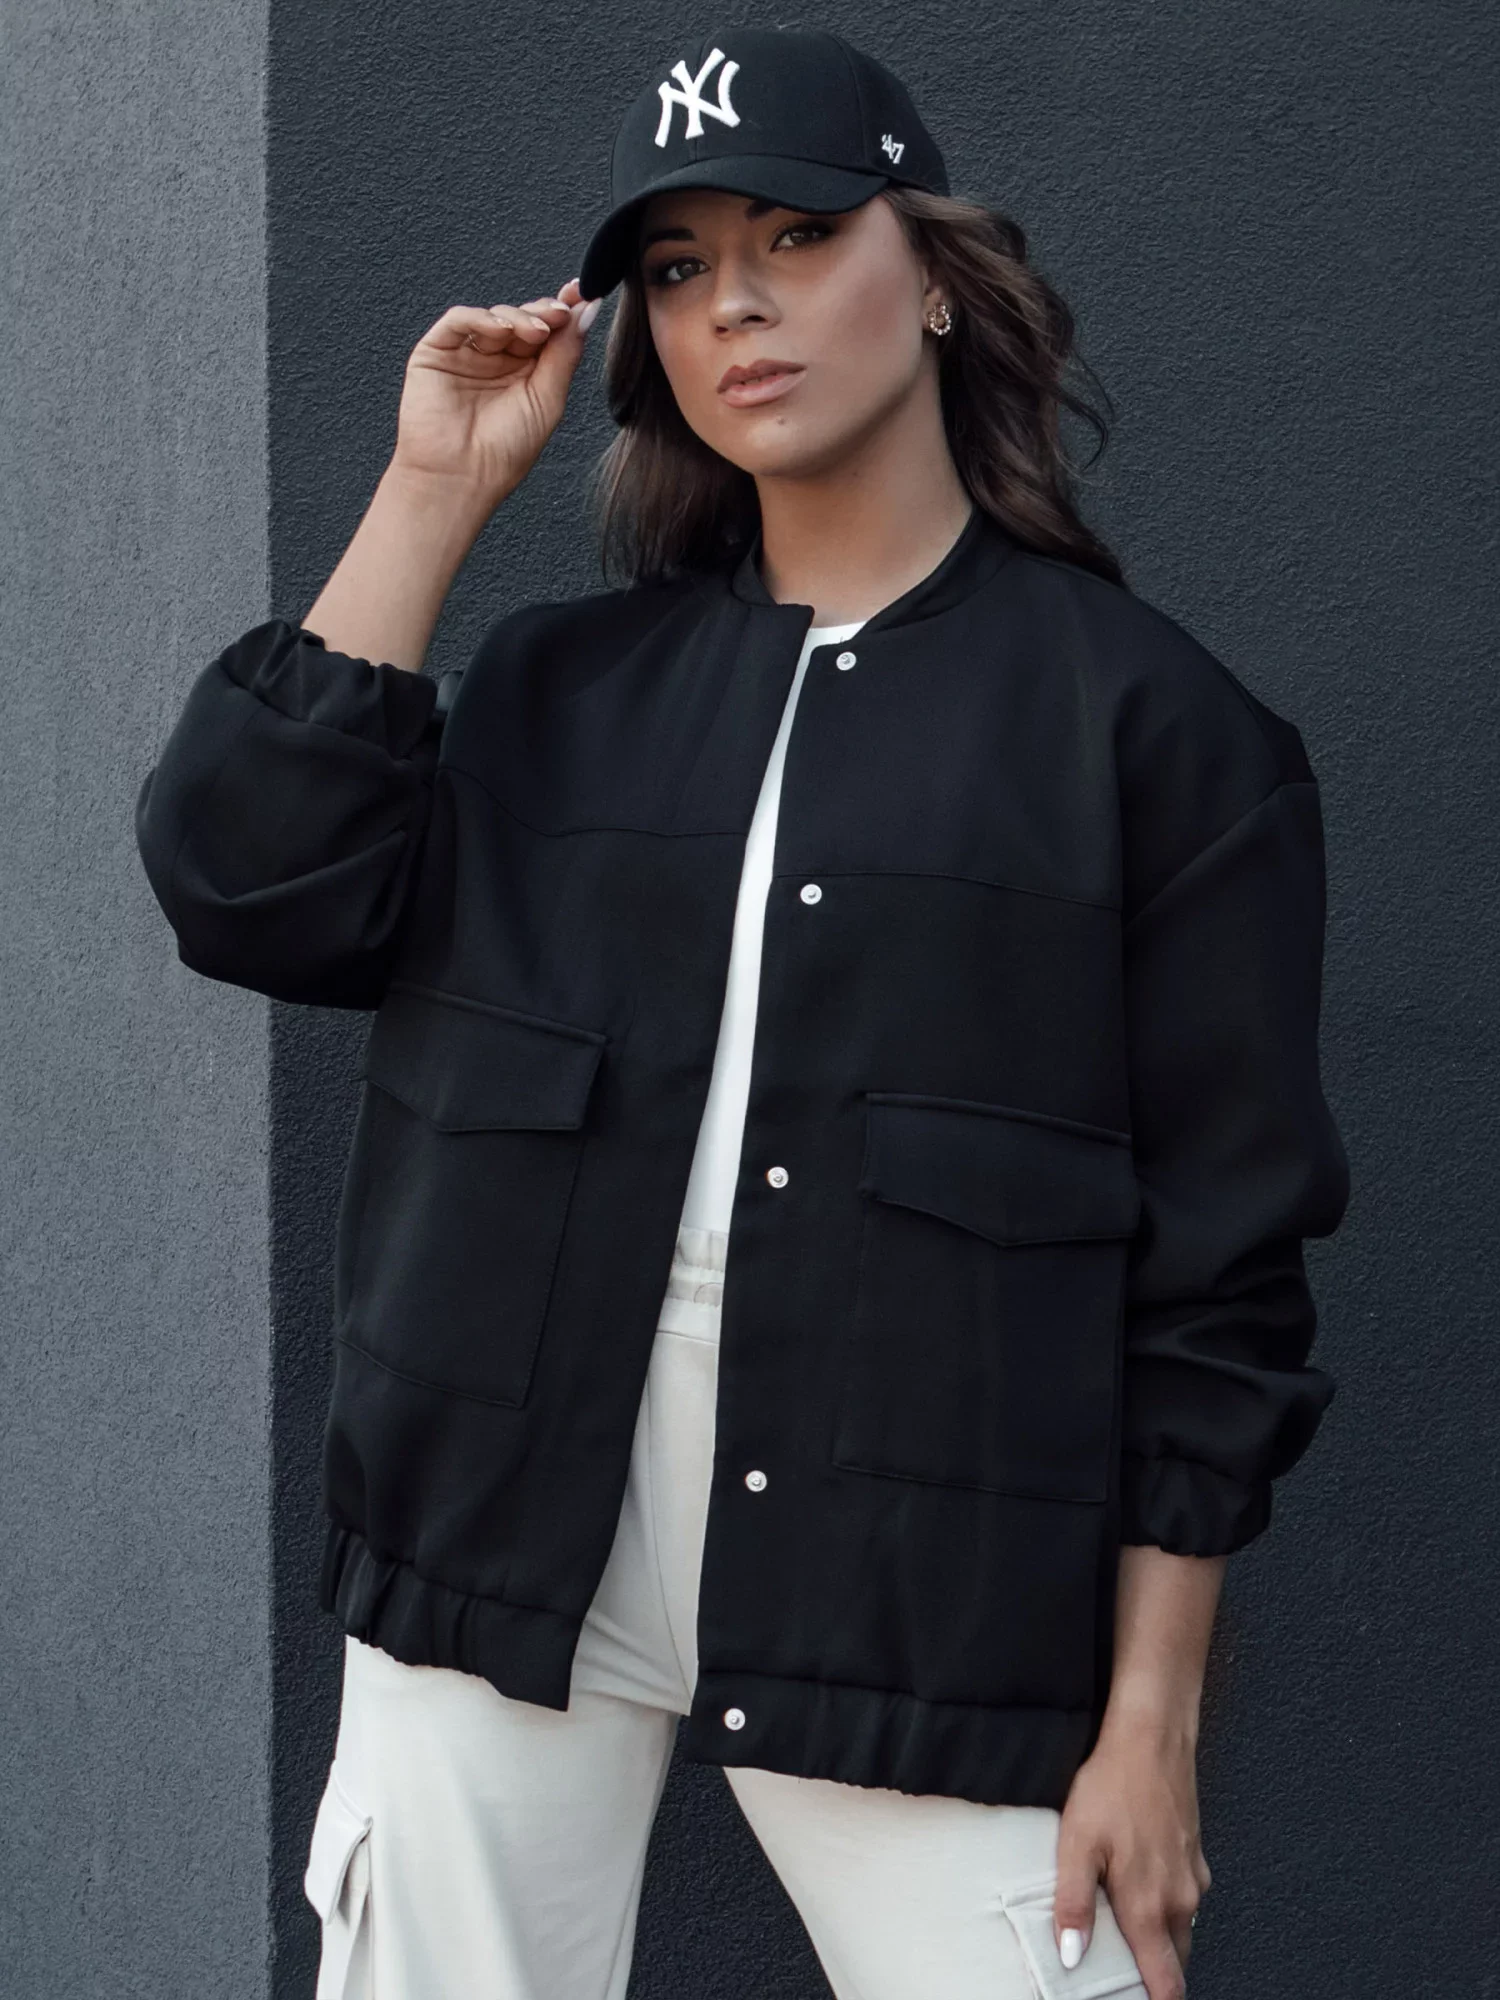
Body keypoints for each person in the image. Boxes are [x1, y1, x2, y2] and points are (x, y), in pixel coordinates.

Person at [134, 26, 1350, 2000]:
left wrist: (1151, 1722)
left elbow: (1221, 1278)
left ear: (935, 277)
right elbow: (243, 882)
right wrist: (434, 489)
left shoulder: (1159, 735)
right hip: (497, 1529)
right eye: (680, 267)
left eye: (796, 233)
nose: (736, 305)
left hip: (918, 1564)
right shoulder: (556, 693)